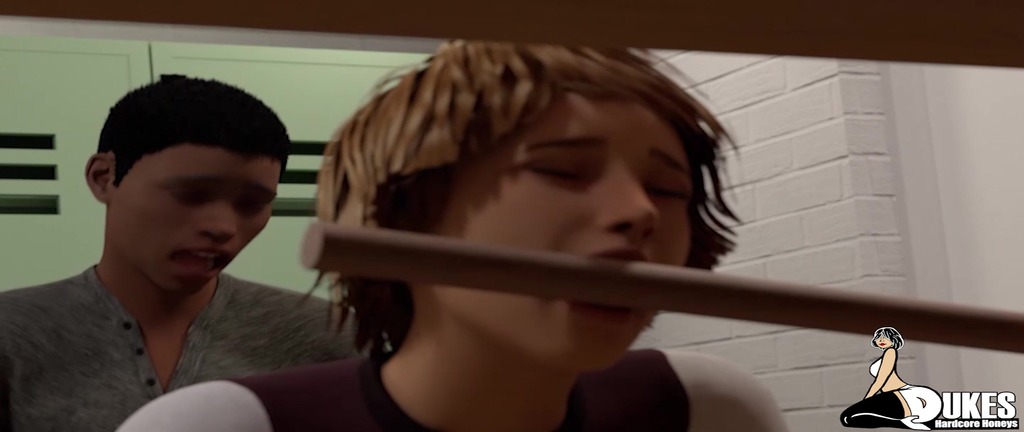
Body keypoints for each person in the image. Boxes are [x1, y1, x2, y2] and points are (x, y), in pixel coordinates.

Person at [116, 42, 789, 431]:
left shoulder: (701, 410)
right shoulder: (221, 427)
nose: (639, 212)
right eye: (562, 171)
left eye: (667, 189)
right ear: (405, 212)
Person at [0, 75, 357, 432]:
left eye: (251, 204)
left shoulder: (327, 337)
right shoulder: (13, 334)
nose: (223, 227)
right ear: (104, 177)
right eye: (190, 195)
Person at [840, 327, 942, 430]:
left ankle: (904, 422)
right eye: (878, 337)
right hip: (915, 402)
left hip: (912, 397)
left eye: (885, 337)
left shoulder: (890, 352)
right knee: (849, 419)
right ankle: (904, 422)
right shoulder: (887, 354)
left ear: (893, 339)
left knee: (848, 418)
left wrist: (867, 399)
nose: (881, 340)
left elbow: (881, 380)